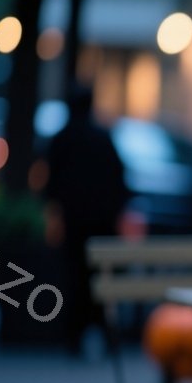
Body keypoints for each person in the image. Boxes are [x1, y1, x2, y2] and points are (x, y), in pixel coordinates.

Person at [42, 89, 130, 353]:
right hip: (102, 222)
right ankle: (106, 334)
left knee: (74, 277)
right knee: (100, 279)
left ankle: (73, 337)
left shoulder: (61, 139)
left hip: (74, 221)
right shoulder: (103, 138)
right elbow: (119, 179)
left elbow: (51, 183)